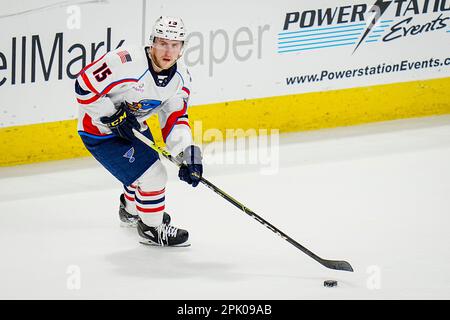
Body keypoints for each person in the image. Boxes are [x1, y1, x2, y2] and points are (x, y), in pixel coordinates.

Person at [75, 16, 202, 247]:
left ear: (182, 49)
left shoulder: (181, 79)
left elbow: (175, 119)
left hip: (134, 129)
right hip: (100, 132)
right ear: (152, 42)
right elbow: (84, 85)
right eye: (163, 43)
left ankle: (131, 211)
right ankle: (151, 229)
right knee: (154, 176)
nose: (168, 51)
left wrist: (188, 152)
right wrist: (111, 115)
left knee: (140, 177)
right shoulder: (125, 61)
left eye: (175, 45)